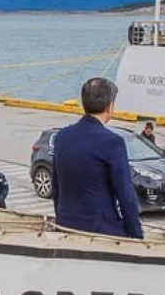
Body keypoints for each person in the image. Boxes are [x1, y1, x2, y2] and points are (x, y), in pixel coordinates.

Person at [51, 77, 143, 239]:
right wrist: (136, 235)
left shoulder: (62, 136)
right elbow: (126, 196)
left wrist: (61, 220)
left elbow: (56, 187)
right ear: (110, 106)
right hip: (101, 230)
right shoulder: (113, 142)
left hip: (65, 226)